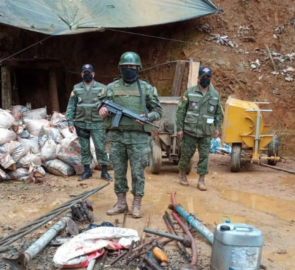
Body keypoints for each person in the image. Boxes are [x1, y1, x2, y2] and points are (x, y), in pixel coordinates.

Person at [98, 52, 162, 218]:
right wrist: (102, 109)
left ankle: (136, 203)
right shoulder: (111, 88)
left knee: (138, 173)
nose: (128, 70)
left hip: (139, 139)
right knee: (118, 171)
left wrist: (148, 117)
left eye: (132, 67)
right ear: (120, 68)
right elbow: (101, 103)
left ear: (138, 68)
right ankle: (121, 202)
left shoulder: (146, 88)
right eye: (125, 67)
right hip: (117, 137)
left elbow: (158, 111)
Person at [176, 66, 223, 191]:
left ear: (211, 79)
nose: (205, 80)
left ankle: (201, 180)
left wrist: (217, 128)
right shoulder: (189, 92)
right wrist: (179, 128)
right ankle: (182, 174)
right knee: (186, 155)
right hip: (190, 130)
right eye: (203, 77)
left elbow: (218, 113)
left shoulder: (214, 95)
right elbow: (181, 111)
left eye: (208, 77)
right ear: (198, 78)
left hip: (206, 131)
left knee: (204, 156)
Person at [66, 64, 112, 181]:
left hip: (97, 123)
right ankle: (87, 171)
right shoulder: (76, 89)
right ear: (82, 74)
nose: (87, 75)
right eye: (85, 73)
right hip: (81, 123)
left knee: (100, 147)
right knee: (84, 148)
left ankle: (104, 172)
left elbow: (108, 103)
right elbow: (71, 106)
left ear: (93, 74)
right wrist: (70, 121)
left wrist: (106, 112)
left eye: (89, 73)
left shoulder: (102, 88)